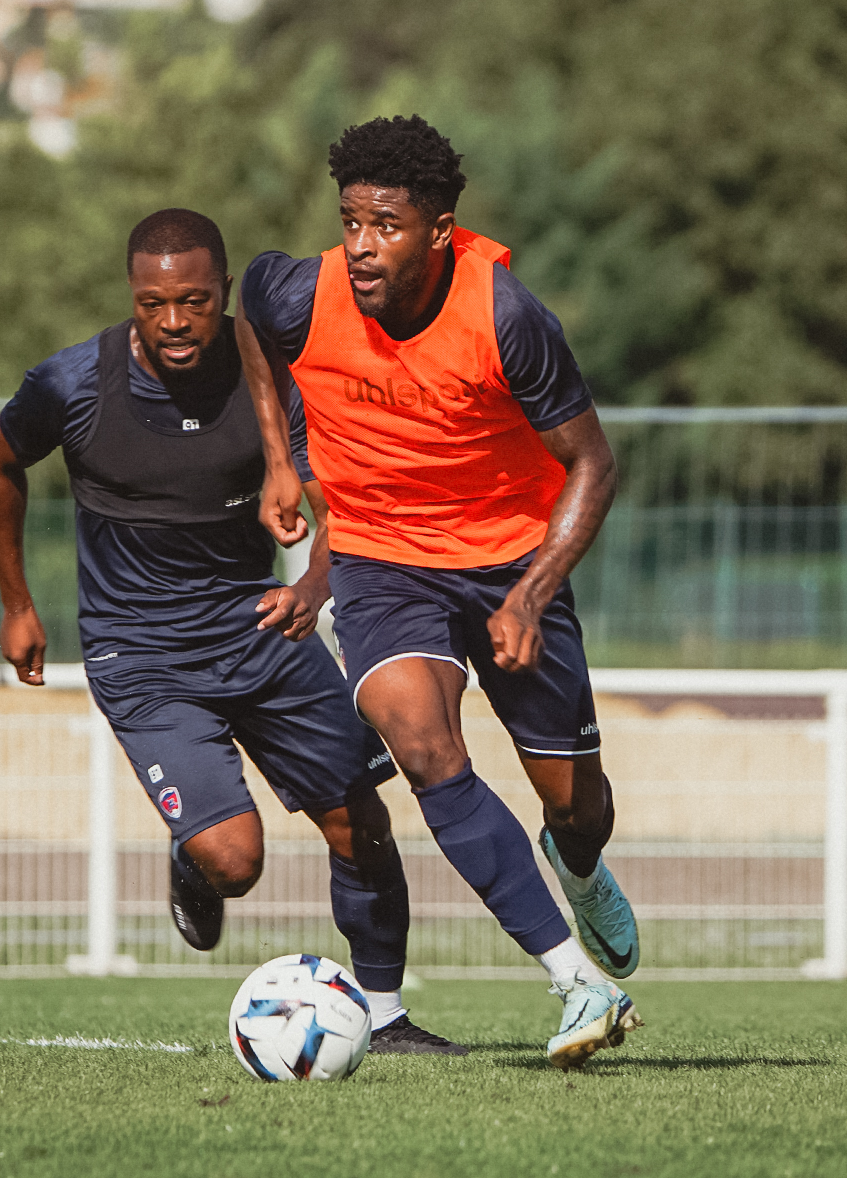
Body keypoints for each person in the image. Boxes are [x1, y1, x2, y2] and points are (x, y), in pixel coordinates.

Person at [0, 207, 463, 1053]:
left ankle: (384, 1018)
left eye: (194, 302)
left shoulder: (275, 374)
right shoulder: (74, 384)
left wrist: (315, 581)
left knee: (360, 820)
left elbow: (343, 494)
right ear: (132, 295)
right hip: (143, 654)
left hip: (261, 629)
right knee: (237, 862)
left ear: (223, 292)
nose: (173, 322)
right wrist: (18, 602)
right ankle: (193, 853)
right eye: (153, 303)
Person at [235, 115, 644, 1068]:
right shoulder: (301, 292)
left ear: (441, 230)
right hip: (382, 559)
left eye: (386, 226)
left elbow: (593, 463)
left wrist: (534, 591)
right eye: (351, 222)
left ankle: (577, 868)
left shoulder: (507, 317)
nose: (363, 245)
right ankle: (577, 981)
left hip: (507, 560)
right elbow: (248, 319)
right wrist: (280, 459)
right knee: (420, 742)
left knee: (577, 806)